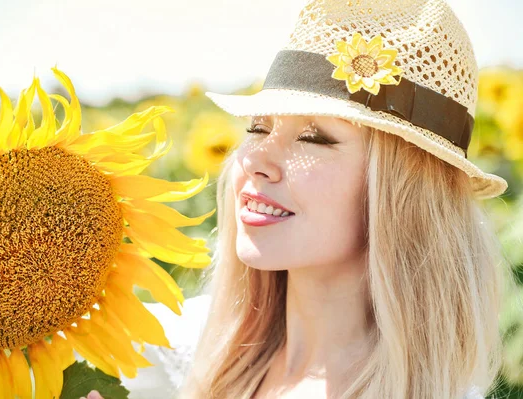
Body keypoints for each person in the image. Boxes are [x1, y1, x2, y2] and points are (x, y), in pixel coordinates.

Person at [176, 0, 513, 398]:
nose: (254, 159)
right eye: (257, 128)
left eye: (313, 137)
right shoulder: (179, 350)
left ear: (401, 192)